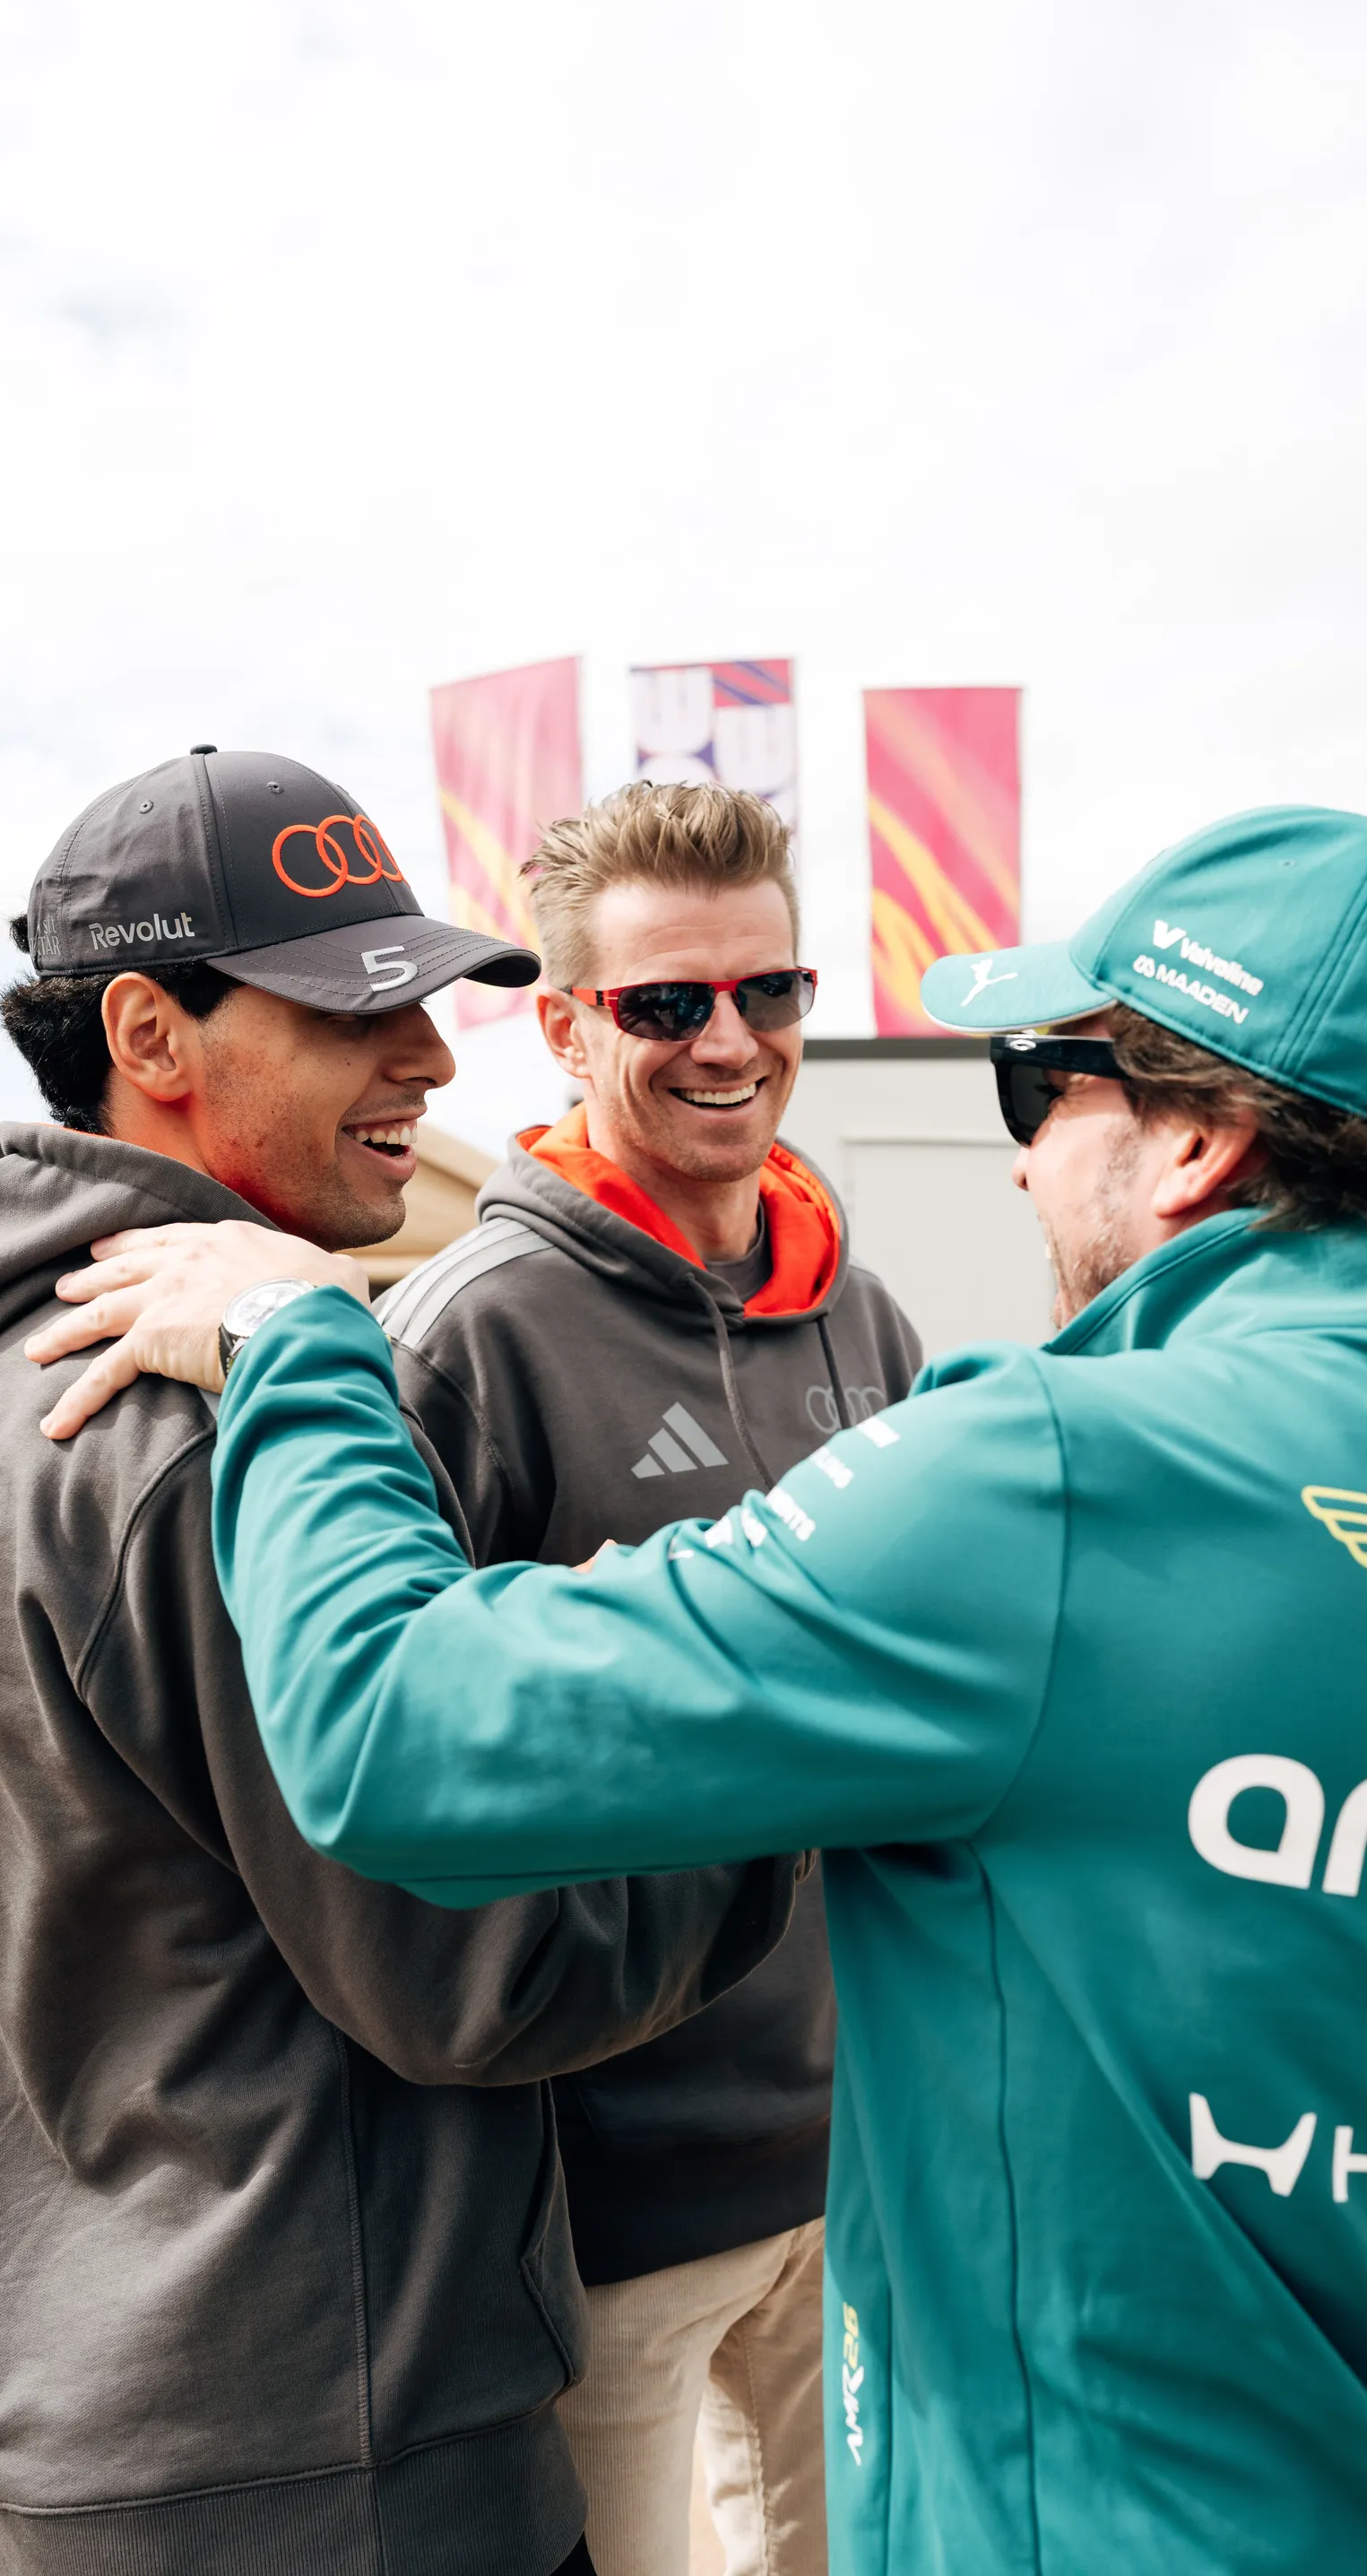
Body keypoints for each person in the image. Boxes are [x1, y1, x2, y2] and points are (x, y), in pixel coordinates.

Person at [34, 805, 1367, 2573]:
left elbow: (396, 1731)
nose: (1013, 1165)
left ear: (1204, 1143)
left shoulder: (1058, 1473)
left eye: (1041, 1088)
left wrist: (299, 1348)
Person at [0, 745, 803, 2576]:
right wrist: (801, 1785)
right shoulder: (206, 1434)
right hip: (333, 2458)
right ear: (151, 1030)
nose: (434, 1063)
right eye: (356, 1015)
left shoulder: (34, 1364)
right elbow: (475, 1965)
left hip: (104, 2413)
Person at [374, 778, 920, 2576]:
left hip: (859, 2163)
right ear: (560, 1024)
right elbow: (394, 1751)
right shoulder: (474, 1334)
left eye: (770, 994)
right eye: (666, 1003)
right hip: (603, 2193)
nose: (730, 1043)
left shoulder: (868, 1316)